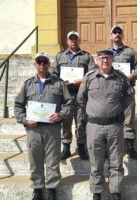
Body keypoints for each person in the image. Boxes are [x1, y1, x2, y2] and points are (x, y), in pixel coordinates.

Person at [14, 52, 73, 200]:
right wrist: (25, 120)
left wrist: (60, 114)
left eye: (44, 61)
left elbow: (69, 103)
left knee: (52, 160)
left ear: (49, 64)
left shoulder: (58, 83)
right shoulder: (28, 84)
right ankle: (38, 188)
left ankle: (52, 188)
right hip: (33, 129)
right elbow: (18, 105)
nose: (41, 64)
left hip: (52, 128)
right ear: (35, 65)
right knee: (35, 160)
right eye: (38, 62)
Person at [77, 49, 134, 200]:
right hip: (94, 126)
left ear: (112, 59)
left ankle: (115, 193)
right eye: (102, 58)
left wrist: (117, 109)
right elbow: (81, 99)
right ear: (97, 60)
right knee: (96, 162)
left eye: (108, 58)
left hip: (115, 126)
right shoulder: (89, 77)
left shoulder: (121, 78)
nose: (105, 61)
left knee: (116, 161)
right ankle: (97, 193)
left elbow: (129, 96)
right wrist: (93, 111)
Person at [50, 31, 96, 160]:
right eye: (71, 39)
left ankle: (81, 146)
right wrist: (60, 81)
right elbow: (53, 73)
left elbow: (93, 72)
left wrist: (82, 80)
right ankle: (66, 147)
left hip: (81, 94)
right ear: (67, 40)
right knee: (66, 121)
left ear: (79, 40)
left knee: (81, 121)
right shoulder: (59, 56)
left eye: (76, 39)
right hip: (65, 96)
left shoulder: (87, 56)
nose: (73, 41)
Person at [109, 25, 137, 159]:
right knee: (111, 118)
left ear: (122, 35)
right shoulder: (106, 53)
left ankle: (129, 146)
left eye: (119, 32)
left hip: (127, 89)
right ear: (111, 36)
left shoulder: (130, 52)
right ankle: (113, 147)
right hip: (111, 90)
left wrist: (132, 75)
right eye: (114, 32)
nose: (117, 34)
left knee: (128, 119)